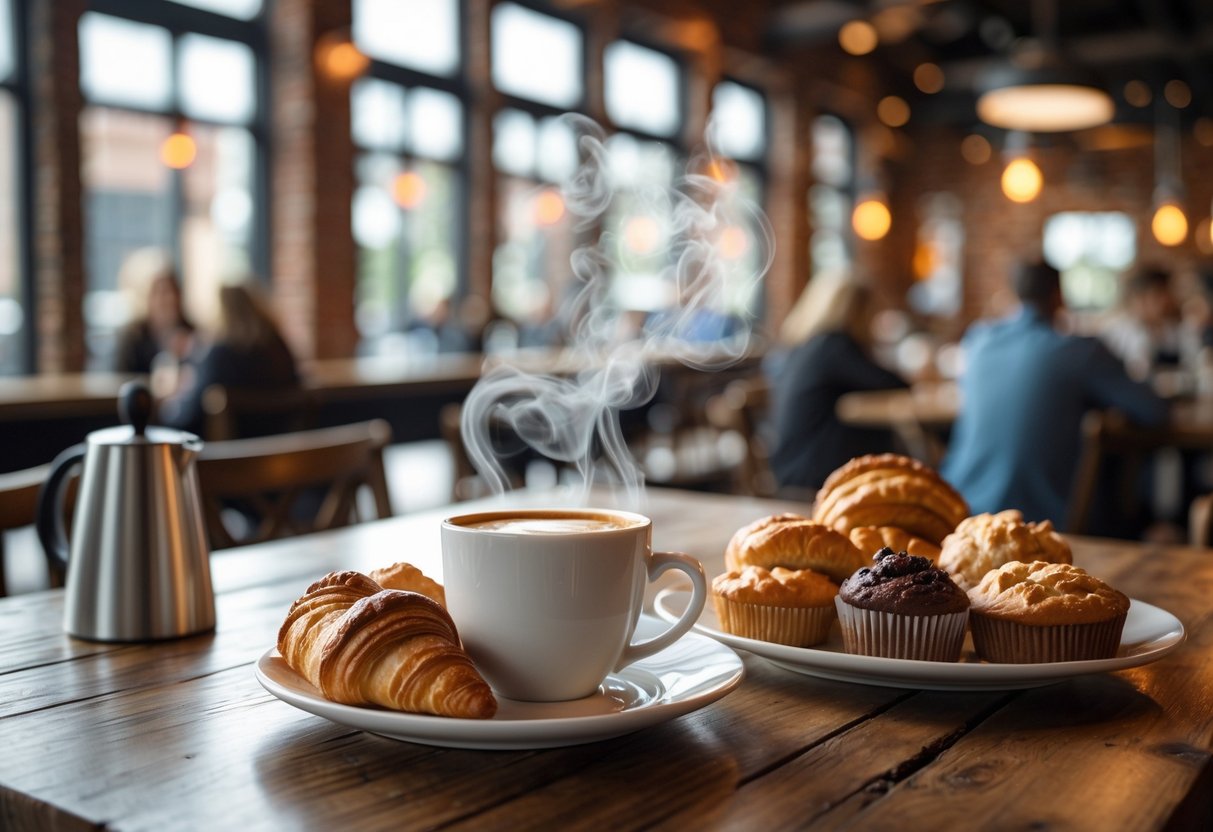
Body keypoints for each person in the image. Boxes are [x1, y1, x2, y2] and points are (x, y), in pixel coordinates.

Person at [942, 260, 1168, 528]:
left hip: (958, 510)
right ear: (1059, 296)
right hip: (1040, 521)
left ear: (1015, 293)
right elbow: (1154, 410)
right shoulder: (1079, 351)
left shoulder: (977, 341)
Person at [767, 270, 908, 491]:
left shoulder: (807, 345)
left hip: (791, 464)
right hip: (811, 474)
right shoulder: (834, 346)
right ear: (856, 311)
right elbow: (892, 384)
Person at [158, 282, 300, 437]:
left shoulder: (220, 355)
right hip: (284, 448)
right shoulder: (279, 347)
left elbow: (189, 416)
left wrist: (168, 406)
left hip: (232, 454)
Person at [112, 249, 195, 374]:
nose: (169, 299)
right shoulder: (132, 338)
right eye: (160, 292)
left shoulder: (192, 334)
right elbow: (119, 378)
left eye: (172, 290)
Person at [1099, 266, 1182, 381]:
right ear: (1138, 298)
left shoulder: (1173, 329)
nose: (1164, 303)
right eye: (1157, 297)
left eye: (1167, 296)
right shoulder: (1118, 332)